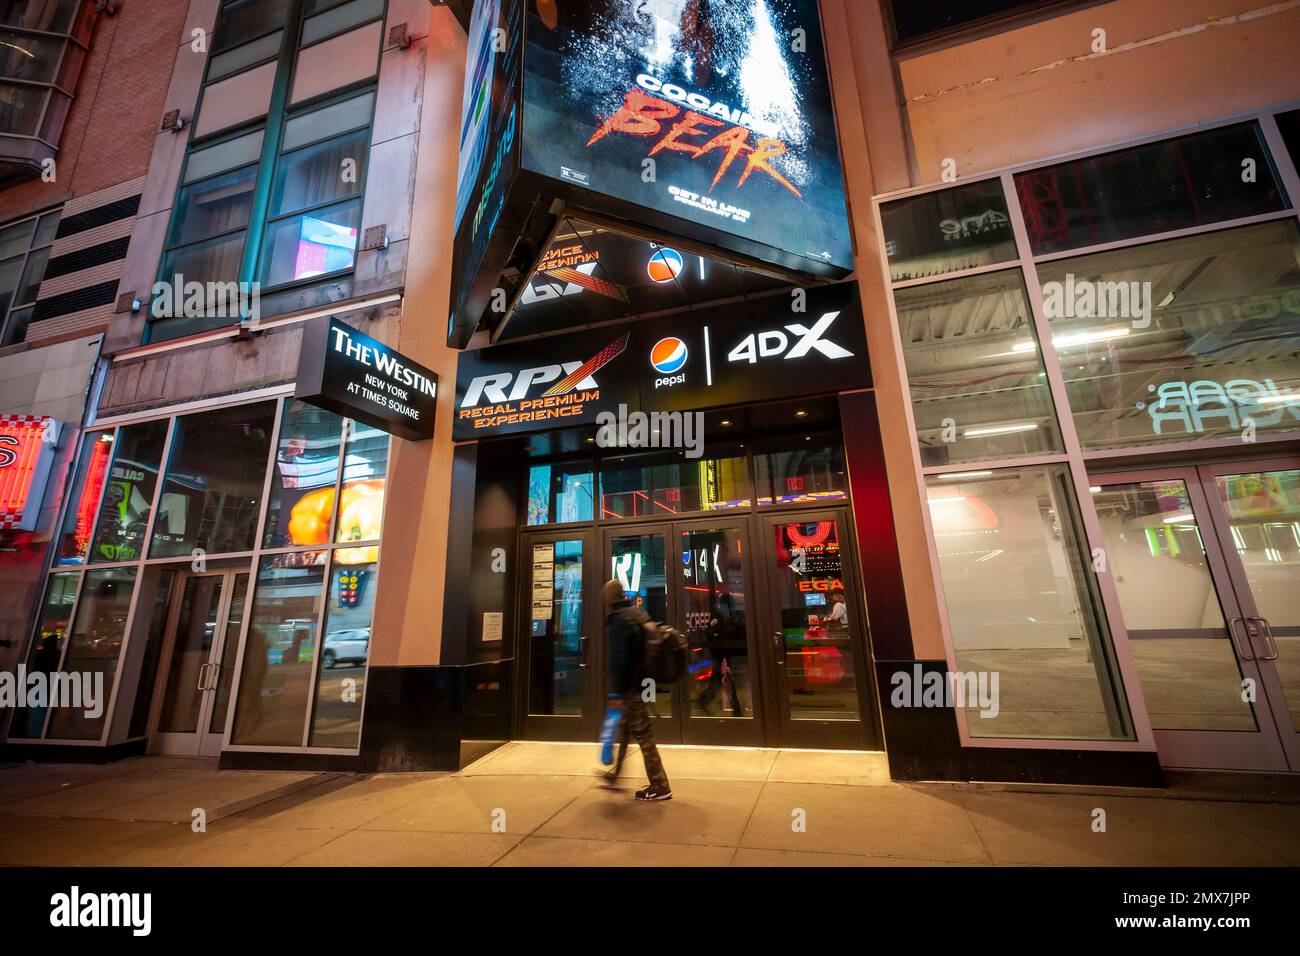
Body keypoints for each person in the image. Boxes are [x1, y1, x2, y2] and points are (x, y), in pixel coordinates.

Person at [602, 578, 672, 801]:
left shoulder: (619, 620)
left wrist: (615, 693)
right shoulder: (638, 613)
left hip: (629, 689)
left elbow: (619, 660)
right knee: (625, 732)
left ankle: (661, 786)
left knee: (643, 736)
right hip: (640, 683)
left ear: (608, 598)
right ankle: (615, 776)